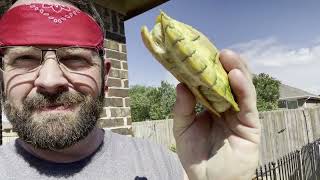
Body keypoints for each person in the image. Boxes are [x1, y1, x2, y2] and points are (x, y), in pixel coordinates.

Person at [0, 0, 260, 179]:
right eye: (25, 59)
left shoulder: (163, 167)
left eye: (75, 58)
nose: (50, 79)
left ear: (107, 77)